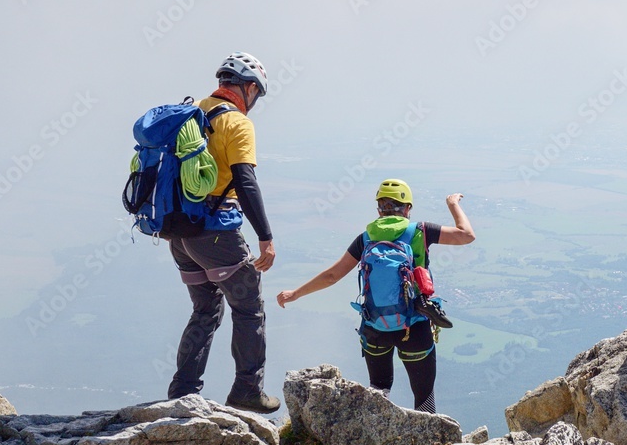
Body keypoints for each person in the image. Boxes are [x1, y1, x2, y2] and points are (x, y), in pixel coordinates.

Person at [276, 179, 475, 413]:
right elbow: (466, 235)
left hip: (375, 327)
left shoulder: (366, 238)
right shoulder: (421, 231)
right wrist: (452, 204)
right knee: (424, 397)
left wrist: (296, 293)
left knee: (379, 391)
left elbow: (332, 276)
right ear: (407, 207)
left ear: (379, 208)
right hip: (415, 327)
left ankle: (376, 442)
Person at [167, 52, 280, 413]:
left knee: (206, 309)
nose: (255, 103)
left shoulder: (193, 111)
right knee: (249, 309)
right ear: (248, 88)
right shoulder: (237, 123)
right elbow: (245, 181)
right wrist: (265, 236)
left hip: (179, 231)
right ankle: (247, 389)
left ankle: (183, 391)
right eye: (257, 95)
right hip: (215, 232)